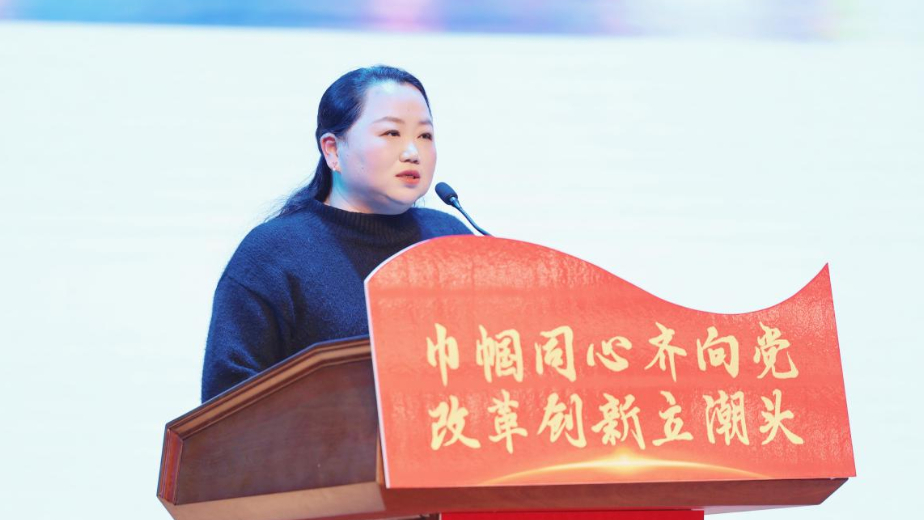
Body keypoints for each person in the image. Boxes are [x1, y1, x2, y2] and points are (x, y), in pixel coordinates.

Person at [201, 66, 472, 402]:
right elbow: (226, 402)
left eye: (425, 136)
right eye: (391, 133)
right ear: (332, 150)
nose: (412, 152)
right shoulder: (272, 255)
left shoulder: (452, 240)